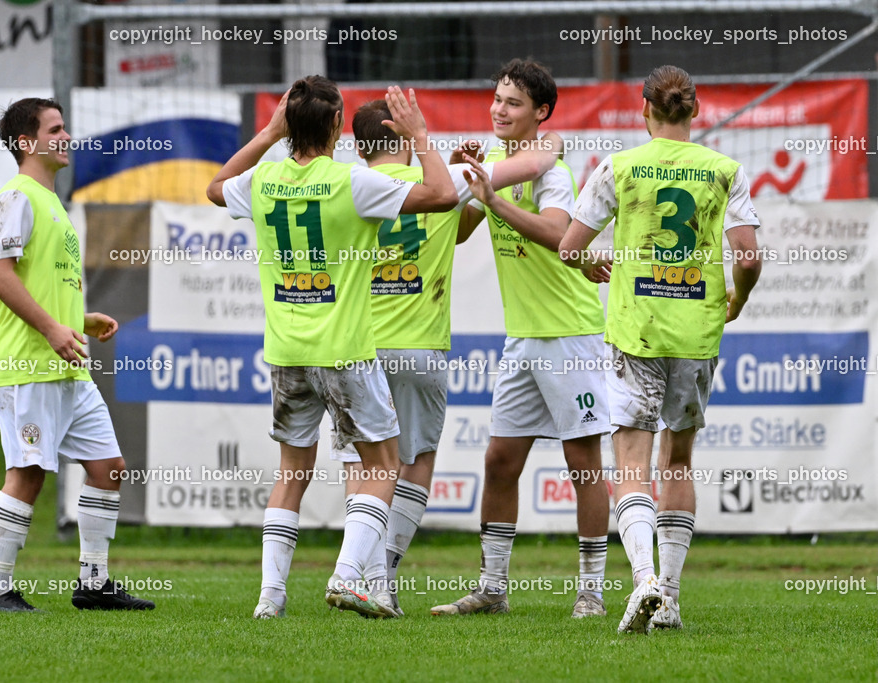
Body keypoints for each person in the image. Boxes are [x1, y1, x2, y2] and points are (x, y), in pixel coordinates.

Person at [206, 76, 460, 619]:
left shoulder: (266, 178)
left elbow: (214, 186)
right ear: (339, 126)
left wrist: (268, 135)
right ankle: (349, 577)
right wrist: (419, 137)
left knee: (292, 470)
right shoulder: (351, 182)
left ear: (288, 126)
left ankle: (269, 599)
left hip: (285, 350)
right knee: (385, 461)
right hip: (342, 348)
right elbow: (441, 195)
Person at [332, 100, 564, 616]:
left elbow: (459, 227)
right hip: (421, 348)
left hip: (357, 347)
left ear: (357, 144)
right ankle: (384, 576)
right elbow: (528, 166)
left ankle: (361, 576)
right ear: (405, 135)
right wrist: (551, 144)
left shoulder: (344, 185)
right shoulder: (443, 183)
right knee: (415, 462)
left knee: (361, 461)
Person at [559, 65, 761, 633]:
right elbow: (747, 257)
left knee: (630, 462)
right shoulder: (725, 170)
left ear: (644, 108)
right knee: (677, 459)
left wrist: (592, 261)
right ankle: (668, 598)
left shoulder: (618, 167)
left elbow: (570, 247)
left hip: (637, 331)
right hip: (697, 333)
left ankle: (643, 578)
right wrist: (737, 300)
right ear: (694, 111)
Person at [431, 58, 612, 620]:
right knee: (500, 461)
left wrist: (492, 197)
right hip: (523, 341)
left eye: (513, 103)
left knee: (583, 466)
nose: (499, 109)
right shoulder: (500, 164)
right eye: (497, 98)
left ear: (541, 114)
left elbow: (560, 235)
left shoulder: (550, 171)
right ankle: (492, 588)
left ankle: (591, 592)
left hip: (569, 337)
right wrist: (471, 188)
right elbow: (461, 234)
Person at [0, 97, 153, 612]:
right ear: (26, 143)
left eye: (64, 127)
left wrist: (78, 320)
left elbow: (41, 282)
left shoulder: (51, 201)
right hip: (26, 365)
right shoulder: (17, 197)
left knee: (108, 467)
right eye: (54, 129)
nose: (65, 136)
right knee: (28, 474)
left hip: (66, 364)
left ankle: (93, 583)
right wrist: (53, 326)